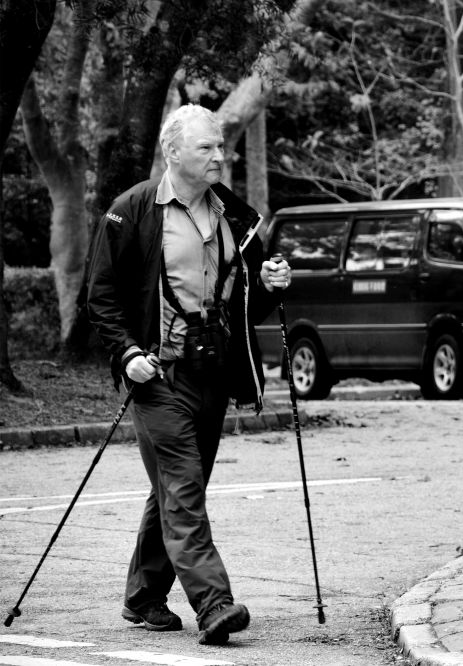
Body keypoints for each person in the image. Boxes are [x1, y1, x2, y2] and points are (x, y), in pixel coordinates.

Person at [87, 104, 291, 646]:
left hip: (214, 374)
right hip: (158, 378)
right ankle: (214, 603)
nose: (219, 156)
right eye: (207, 147)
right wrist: (126, 353)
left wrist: (269, 284)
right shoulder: (132, 211)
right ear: (172, 151)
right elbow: (101, 297)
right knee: (182, 486)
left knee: (175, 488)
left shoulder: (235, 216)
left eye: (220, 146)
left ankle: (142, 596)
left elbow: (245, 306)